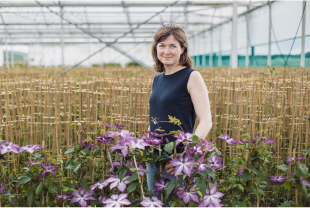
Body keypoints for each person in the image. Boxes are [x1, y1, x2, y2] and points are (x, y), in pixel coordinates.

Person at [147, 22, 212, 201]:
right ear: (156, 49)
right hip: (154, 155)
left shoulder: (191, 76)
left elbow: (206, 121)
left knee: (175, 202)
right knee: (155, 202)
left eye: (172, 46)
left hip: (176, 157)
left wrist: (184, 155)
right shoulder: (157, 80)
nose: (166, 51)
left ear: (182, 49)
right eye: (162, 46)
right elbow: (155, 117)